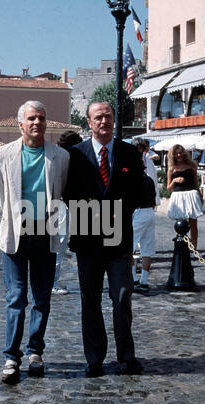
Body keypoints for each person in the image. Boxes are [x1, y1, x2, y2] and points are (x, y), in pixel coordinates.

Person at [63, 101, 144, 377]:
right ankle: (95, 358)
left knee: (122, 298)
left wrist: (116, 216)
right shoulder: (75, 155)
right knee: (90, 301)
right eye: (98, 117)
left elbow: (137, 192)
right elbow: (68, 194)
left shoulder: (129, 153)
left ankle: (126, 356)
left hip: (119, 240)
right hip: (87, 240)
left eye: (108, 116)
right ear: (89, 122)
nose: (103, 121)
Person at [0, 100, 69, 383]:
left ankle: (35, 351)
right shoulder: (2, 156)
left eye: (42, 118)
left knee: (42, 298)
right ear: (20, 124)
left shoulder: (60, 157)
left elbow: (60, 191)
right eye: (32, 118)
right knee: (16, 297)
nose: (37, 123)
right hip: (15, 234)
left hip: (45, 233)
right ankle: (11, 357)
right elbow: (1, 194)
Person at [52, 130, 83, 295]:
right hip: (64, 204)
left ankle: (51, 280)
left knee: (57, 244)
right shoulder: (70, 158)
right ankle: (53, 282)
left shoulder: (57, 157)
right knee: (59, 244)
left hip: (57, 203)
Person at [167, 144, 203, 249]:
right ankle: (181, 246)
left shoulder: (192, 166)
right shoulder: (171, 168)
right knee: (180, 224)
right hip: (178, 196)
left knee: (193, 224)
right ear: (173, 155)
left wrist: (200, 197)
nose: (179, 155)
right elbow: (169, 188)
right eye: (176, 153)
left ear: (184, 153)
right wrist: (174, 180)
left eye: (180, 152)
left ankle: (194, 248)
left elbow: (196, 183)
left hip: (191, 194)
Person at [132, 172, 156, 292]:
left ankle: (133, 277)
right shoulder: (149, 180)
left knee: (129, 247)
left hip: (138, 212)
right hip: (149, 212)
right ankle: (144, 281)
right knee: (147, 249)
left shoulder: (132, 180)